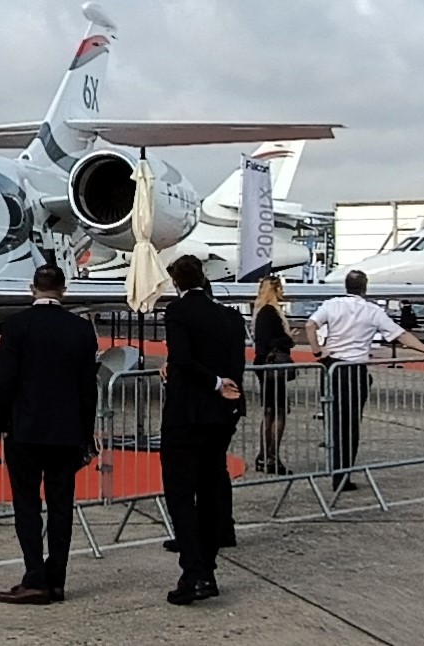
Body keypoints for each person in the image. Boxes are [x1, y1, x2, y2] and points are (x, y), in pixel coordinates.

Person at [0, 262, 98, 605]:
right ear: (63, 291)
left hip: (26, 428)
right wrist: (86, 430)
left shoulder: (18, 325)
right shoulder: (81, 330)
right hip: (67, 430)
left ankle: (34, 575)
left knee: (27, 505)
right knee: (61, 506)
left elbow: (4, 381)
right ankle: (57, 578)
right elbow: (87, 387)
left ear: (32, 288)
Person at [306, 269, 424, 493]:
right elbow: (401, 335)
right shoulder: (372, 310)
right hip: (355, 368)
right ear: (365, 287)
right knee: (350, 425)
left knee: (333, 419)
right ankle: (342, 474)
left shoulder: (331, 304)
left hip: (332, 366)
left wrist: (317, 351)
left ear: (346, 286)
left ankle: (334, 465)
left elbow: (311, 325)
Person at [159, 255, 245, 605]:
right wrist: (228, 390)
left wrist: (212, 383)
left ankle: (193, 572)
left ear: (177, 283)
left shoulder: (178, 313)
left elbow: (182, 358)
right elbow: (235, 363)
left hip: (186, 416)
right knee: (211, 490)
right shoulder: (230, 317)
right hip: (221, 416)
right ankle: (206, 568)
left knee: (181, 494)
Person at [252, 276, 295, 476]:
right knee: (278, 411)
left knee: (269, 410)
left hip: (263, 363)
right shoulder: (271, 312)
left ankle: (264, 454)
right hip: (273, 364)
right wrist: (288, 339)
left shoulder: (260, 311)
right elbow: (274, 340)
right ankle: (271, 455)